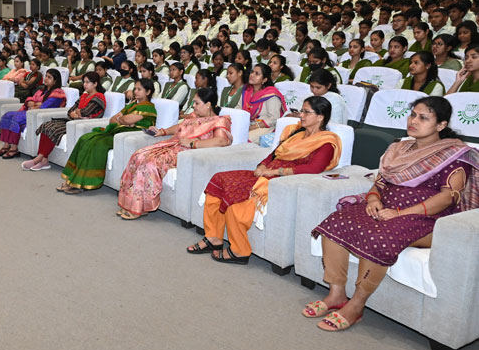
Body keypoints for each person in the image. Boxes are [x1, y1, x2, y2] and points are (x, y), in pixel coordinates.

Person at [307, 96, 478, 331]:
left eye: (423, 118)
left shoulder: (453, 155)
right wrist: (373, 199)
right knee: (336, 222)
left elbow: (448, 197)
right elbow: (380, 182)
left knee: (379, 236)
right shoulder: (399, 148)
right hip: (387, 208)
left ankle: (356, 305)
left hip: (427, 218)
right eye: (413, 115)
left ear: (441, 125)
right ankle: (336, 293)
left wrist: (401, 213)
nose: (413, 121)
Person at [187, 96, 342, 264]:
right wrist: (262, 165)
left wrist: (275, 171)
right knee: (219, 179)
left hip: (280, 179)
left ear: (320, 117)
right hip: (266, 172)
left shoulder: (326, 143)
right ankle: (213, 237)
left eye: (306, 112)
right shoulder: (296, 133)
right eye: (301, 111)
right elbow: (274, 154)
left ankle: (239, 251)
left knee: (236, 206)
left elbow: (313, 169)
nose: (301, 115)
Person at [117, 88, 232, 220]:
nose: (193, 106)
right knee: (139, 155)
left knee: (150, 162)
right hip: (174, 145)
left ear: (208, 104)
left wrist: (193, 143)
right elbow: (180, 127)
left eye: (196, 103)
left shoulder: (219, 121)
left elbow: (222, 141)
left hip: (187, 152)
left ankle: (141, 206)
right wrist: (163, 131)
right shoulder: (194, 116)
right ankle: (130, 203)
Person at [59, 79, 157, 194]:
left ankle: (82, 183)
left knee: (95, 144)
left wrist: (123, 120)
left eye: (139, 89)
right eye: (135, 88)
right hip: (117, 131)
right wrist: (123, 120)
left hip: (128, 135)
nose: (135, 91)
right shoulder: (132, 105)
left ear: (148, 92)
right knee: (85, 138)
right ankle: (72, 178)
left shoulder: (148, 107)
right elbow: (113, 120)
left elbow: (126, 119)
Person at [22, 72, 107, 171]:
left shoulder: (99, 97)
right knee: (47, 125)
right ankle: (44, 161)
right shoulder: (84, 96)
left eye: (87, 82)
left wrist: (78, 113)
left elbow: (86, 112)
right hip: (72, 121)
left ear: (95, 84)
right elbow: (70, 111)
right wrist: (75, 113)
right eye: (84, 82)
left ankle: (38, 159)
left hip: (83, 125)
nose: (85, 84)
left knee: (54, 129)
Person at [0, 68, 67, 159]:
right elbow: (31, 98)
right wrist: (30, 102)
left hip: (39, 114)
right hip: (30, 111)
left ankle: (14, 148)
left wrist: (35, 105)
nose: (46, 78)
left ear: (55, 81)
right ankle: (6, 145)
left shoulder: (58, 93)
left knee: (15, 119)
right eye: (46, 76)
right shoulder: (41, 90)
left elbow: (45, 106)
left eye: (49, 77)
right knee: (7, 115)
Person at [242, 63, 287, 144]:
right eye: (252, 72)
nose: (252, 75)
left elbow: (274, 118)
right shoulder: (247, 90)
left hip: (265, 127)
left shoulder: (271, 94)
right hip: (247, 124)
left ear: (264, 80)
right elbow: (239, 110)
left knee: (243, 138)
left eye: (257, 74)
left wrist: (254, 126)